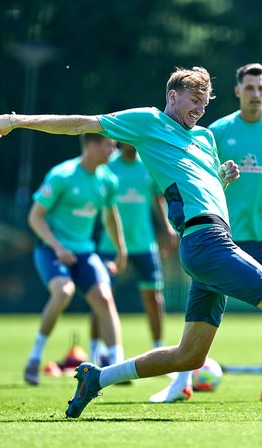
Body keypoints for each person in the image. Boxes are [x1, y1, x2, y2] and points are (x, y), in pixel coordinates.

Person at [0, 66, 262, 419]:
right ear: (172, 96)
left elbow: (196, 181)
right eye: (193, 100)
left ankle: (97, 377)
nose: (199, 109)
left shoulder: (203, 138)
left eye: (204, 102)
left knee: (190, 356)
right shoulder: (147, 121)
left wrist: (222, 176)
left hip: (211, 241)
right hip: (206, 243)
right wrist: (16, 118)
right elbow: (81, 123)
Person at [149, 63, 262, 404]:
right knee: (201, 308)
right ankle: (180, 383)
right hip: (223, 236)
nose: (256, 93)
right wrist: (222, 174)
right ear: (237, 91)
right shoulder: (216, 130)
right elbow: (196, 177)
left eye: (261, 87)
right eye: (249, 87)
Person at [22, 133, 127, 386]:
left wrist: (121, 250)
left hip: (84, 252)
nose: (113, 150)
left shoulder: (107, 180)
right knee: (64, 291)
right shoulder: (62, 175)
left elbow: (111, 218)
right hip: (51, 250)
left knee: (104, 297)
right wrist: (57, 247)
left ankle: (118, 366)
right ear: (90, 145)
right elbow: (35, 217)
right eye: (108, 145)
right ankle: (35, 358)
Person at [91, 142, 176, 365]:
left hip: (144, 244)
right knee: (101, 297)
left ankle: (159, 353)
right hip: (110, 246)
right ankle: (95, 353)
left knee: (154, 298)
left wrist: (167, 227)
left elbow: (157, 198)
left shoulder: (147, 163)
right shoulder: (107, 165)